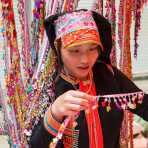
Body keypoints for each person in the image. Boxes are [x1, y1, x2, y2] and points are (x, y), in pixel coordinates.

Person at [28, 9, 148, 148]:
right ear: (58, 47)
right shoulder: (47, 85)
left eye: (92, 49)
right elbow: (35, 145)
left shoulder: (109, 75)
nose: (85, 59)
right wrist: (55, 112)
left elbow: (143, 105)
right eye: (75, 50)